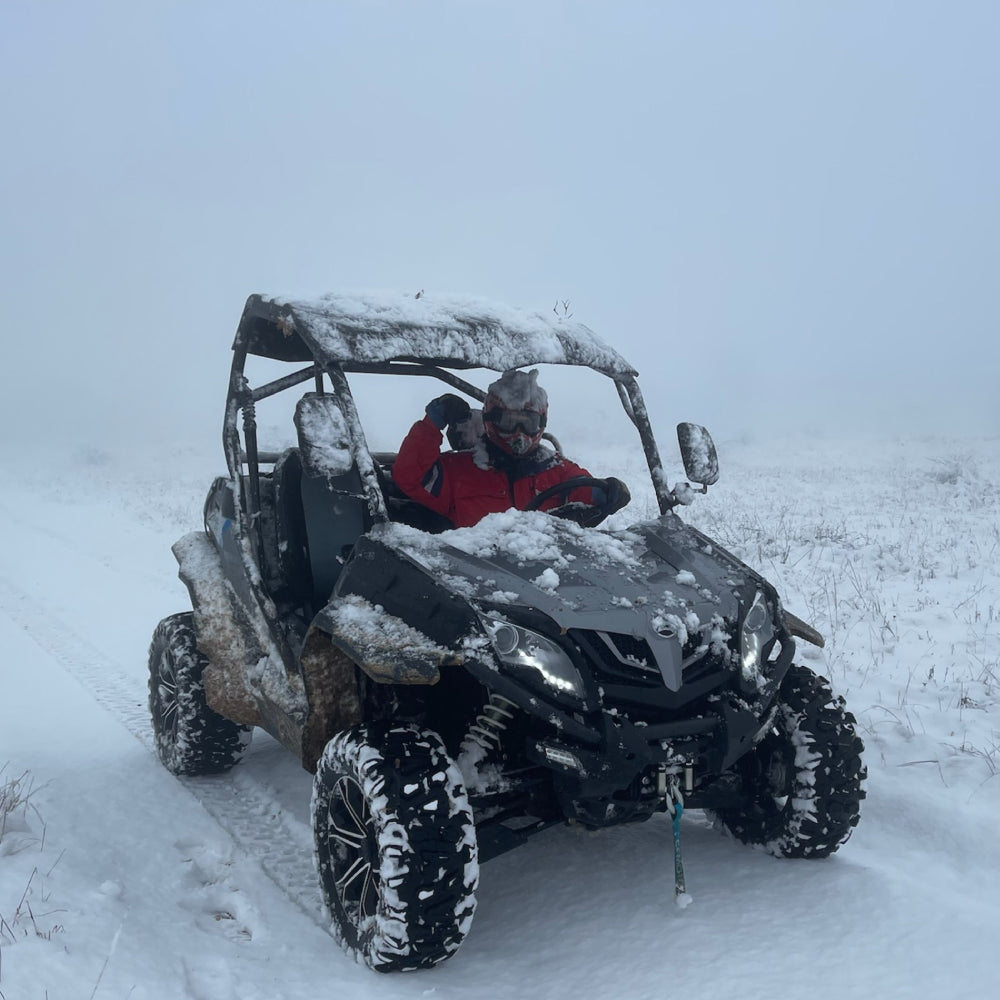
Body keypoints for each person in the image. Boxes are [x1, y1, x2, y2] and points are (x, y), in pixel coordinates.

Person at [392, 368, 630, 529]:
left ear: (541, 423)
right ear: (491, 420)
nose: (519, 434)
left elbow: (585, 491)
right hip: (473, 584)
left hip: (546, 580)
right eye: (509, 422)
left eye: (527, 423)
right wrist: (432, 424)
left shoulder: (556, 470)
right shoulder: (457, 471)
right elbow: (410, 476)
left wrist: (607, 492)